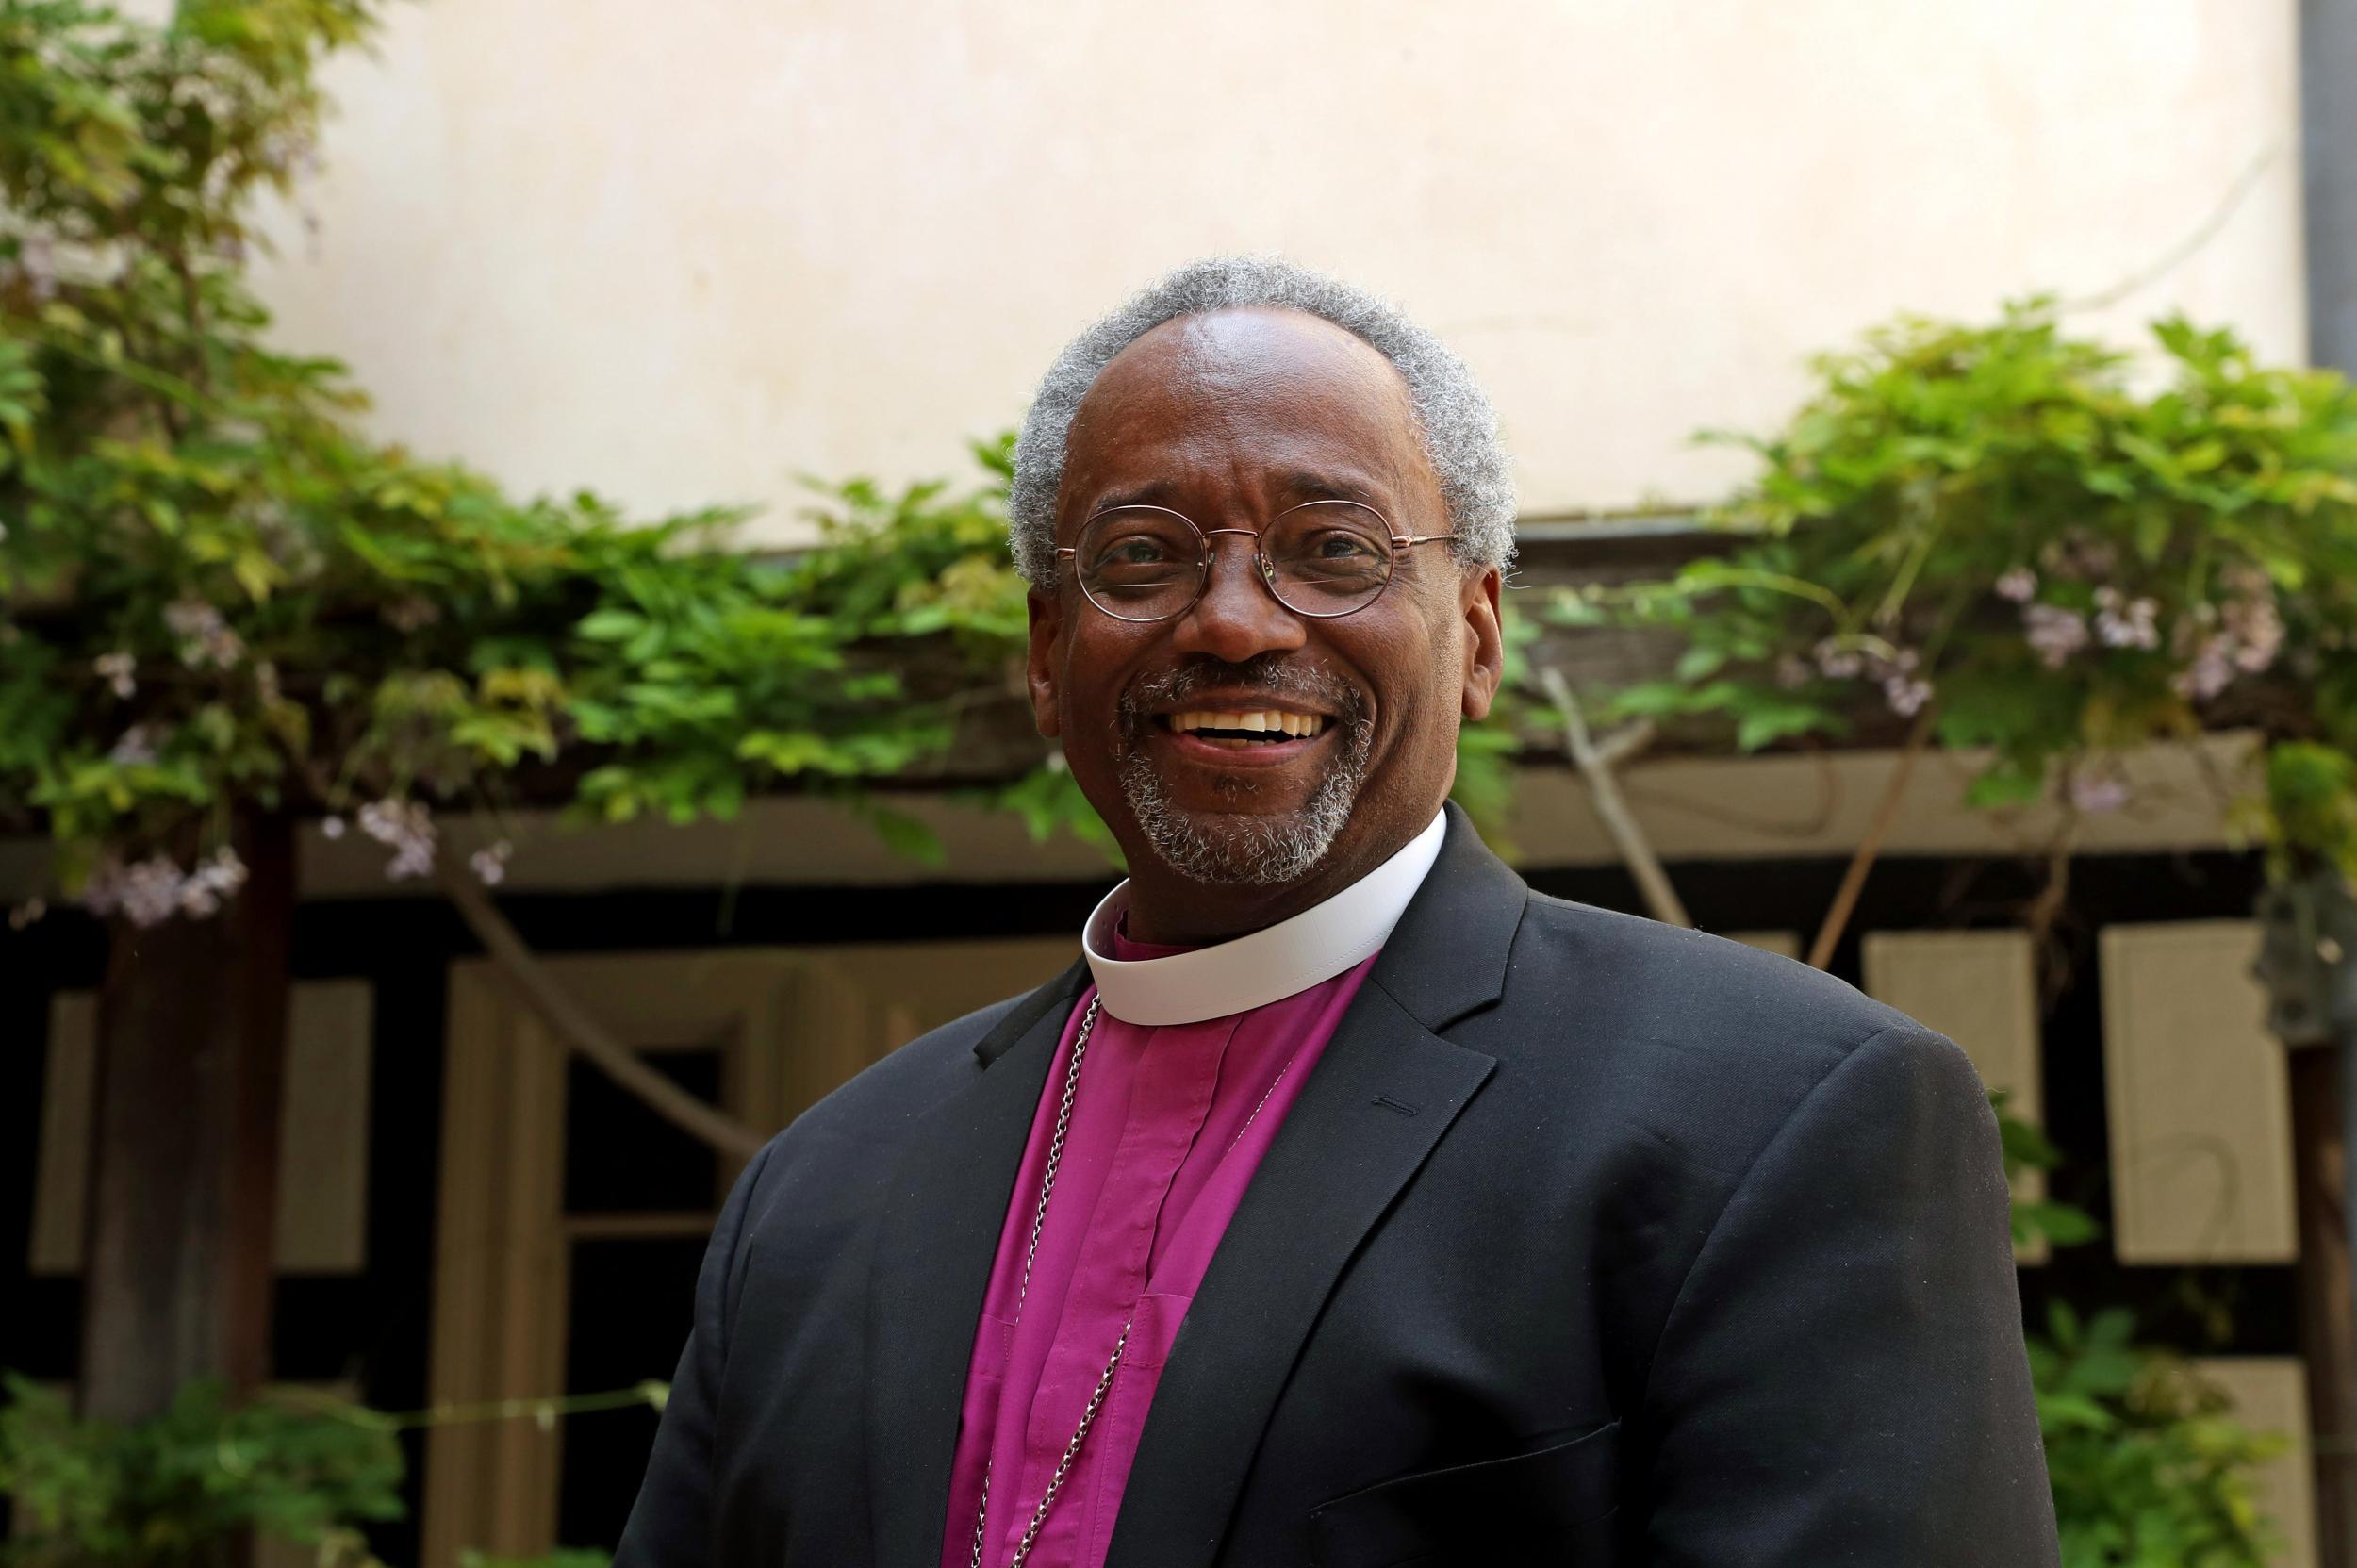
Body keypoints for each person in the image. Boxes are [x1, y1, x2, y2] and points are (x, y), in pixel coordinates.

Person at [614, 257, 2060, 1568]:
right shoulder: (820, 1190)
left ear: (1478, 636)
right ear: (1049, 655)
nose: (1235, 620)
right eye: (1140, 556)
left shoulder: (1782, 1118)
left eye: (1335, 547)